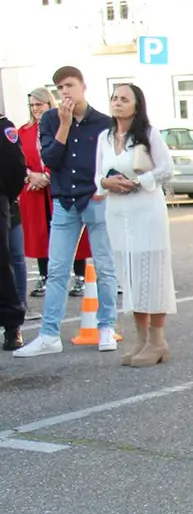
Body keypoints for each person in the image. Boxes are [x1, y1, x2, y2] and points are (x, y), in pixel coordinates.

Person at [15, 66, 118, 358]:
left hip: (94, 198)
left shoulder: (102, 123)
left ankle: (106, 326)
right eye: (60, 88)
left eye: (69, 85)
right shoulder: (50, 119)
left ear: (83, 86)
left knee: (105, 267)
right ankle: (49, 334)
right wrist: (63, 124)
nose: (65, 92)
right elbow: (50, 158)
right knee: (58, 268)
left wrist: (105, 186)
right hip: (64, 201)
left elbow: (111, 161)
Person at [92, 84, 176, 368]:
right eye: (114, 98)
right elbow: (97, 175)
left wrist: (139, 182)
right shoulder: (105, 137)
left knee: (152, 274)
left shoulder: (148, 134)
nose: (117, 103)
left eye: (124, 99)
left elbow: (166, 169)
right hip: (117, 213)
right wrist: (106, 182)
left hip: (146, 211)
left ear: (137, 105)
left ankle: (157, 340)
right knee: (129, 275)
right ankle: (140, 338)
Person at [18, 88, 91, 307]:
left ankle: (79, 276)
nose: (35, 109)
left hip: (60, 186)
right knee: (41, 234)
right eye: (32, 105)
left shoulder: (62, 126)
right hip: (33, 189)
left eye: (39, 104)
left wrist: (48, 176)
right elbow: (17, 160)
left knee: (72, 231)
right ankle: (44, 277)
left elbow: (66, 154)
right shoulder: (23, 131)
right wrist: (31, 176)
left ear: (49, 104)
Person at [0, 114, 25, 346]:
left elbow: (15, 167)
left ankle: (11, 326)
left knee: (2, 264)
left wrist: (7, 196)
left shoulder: (3, 126)